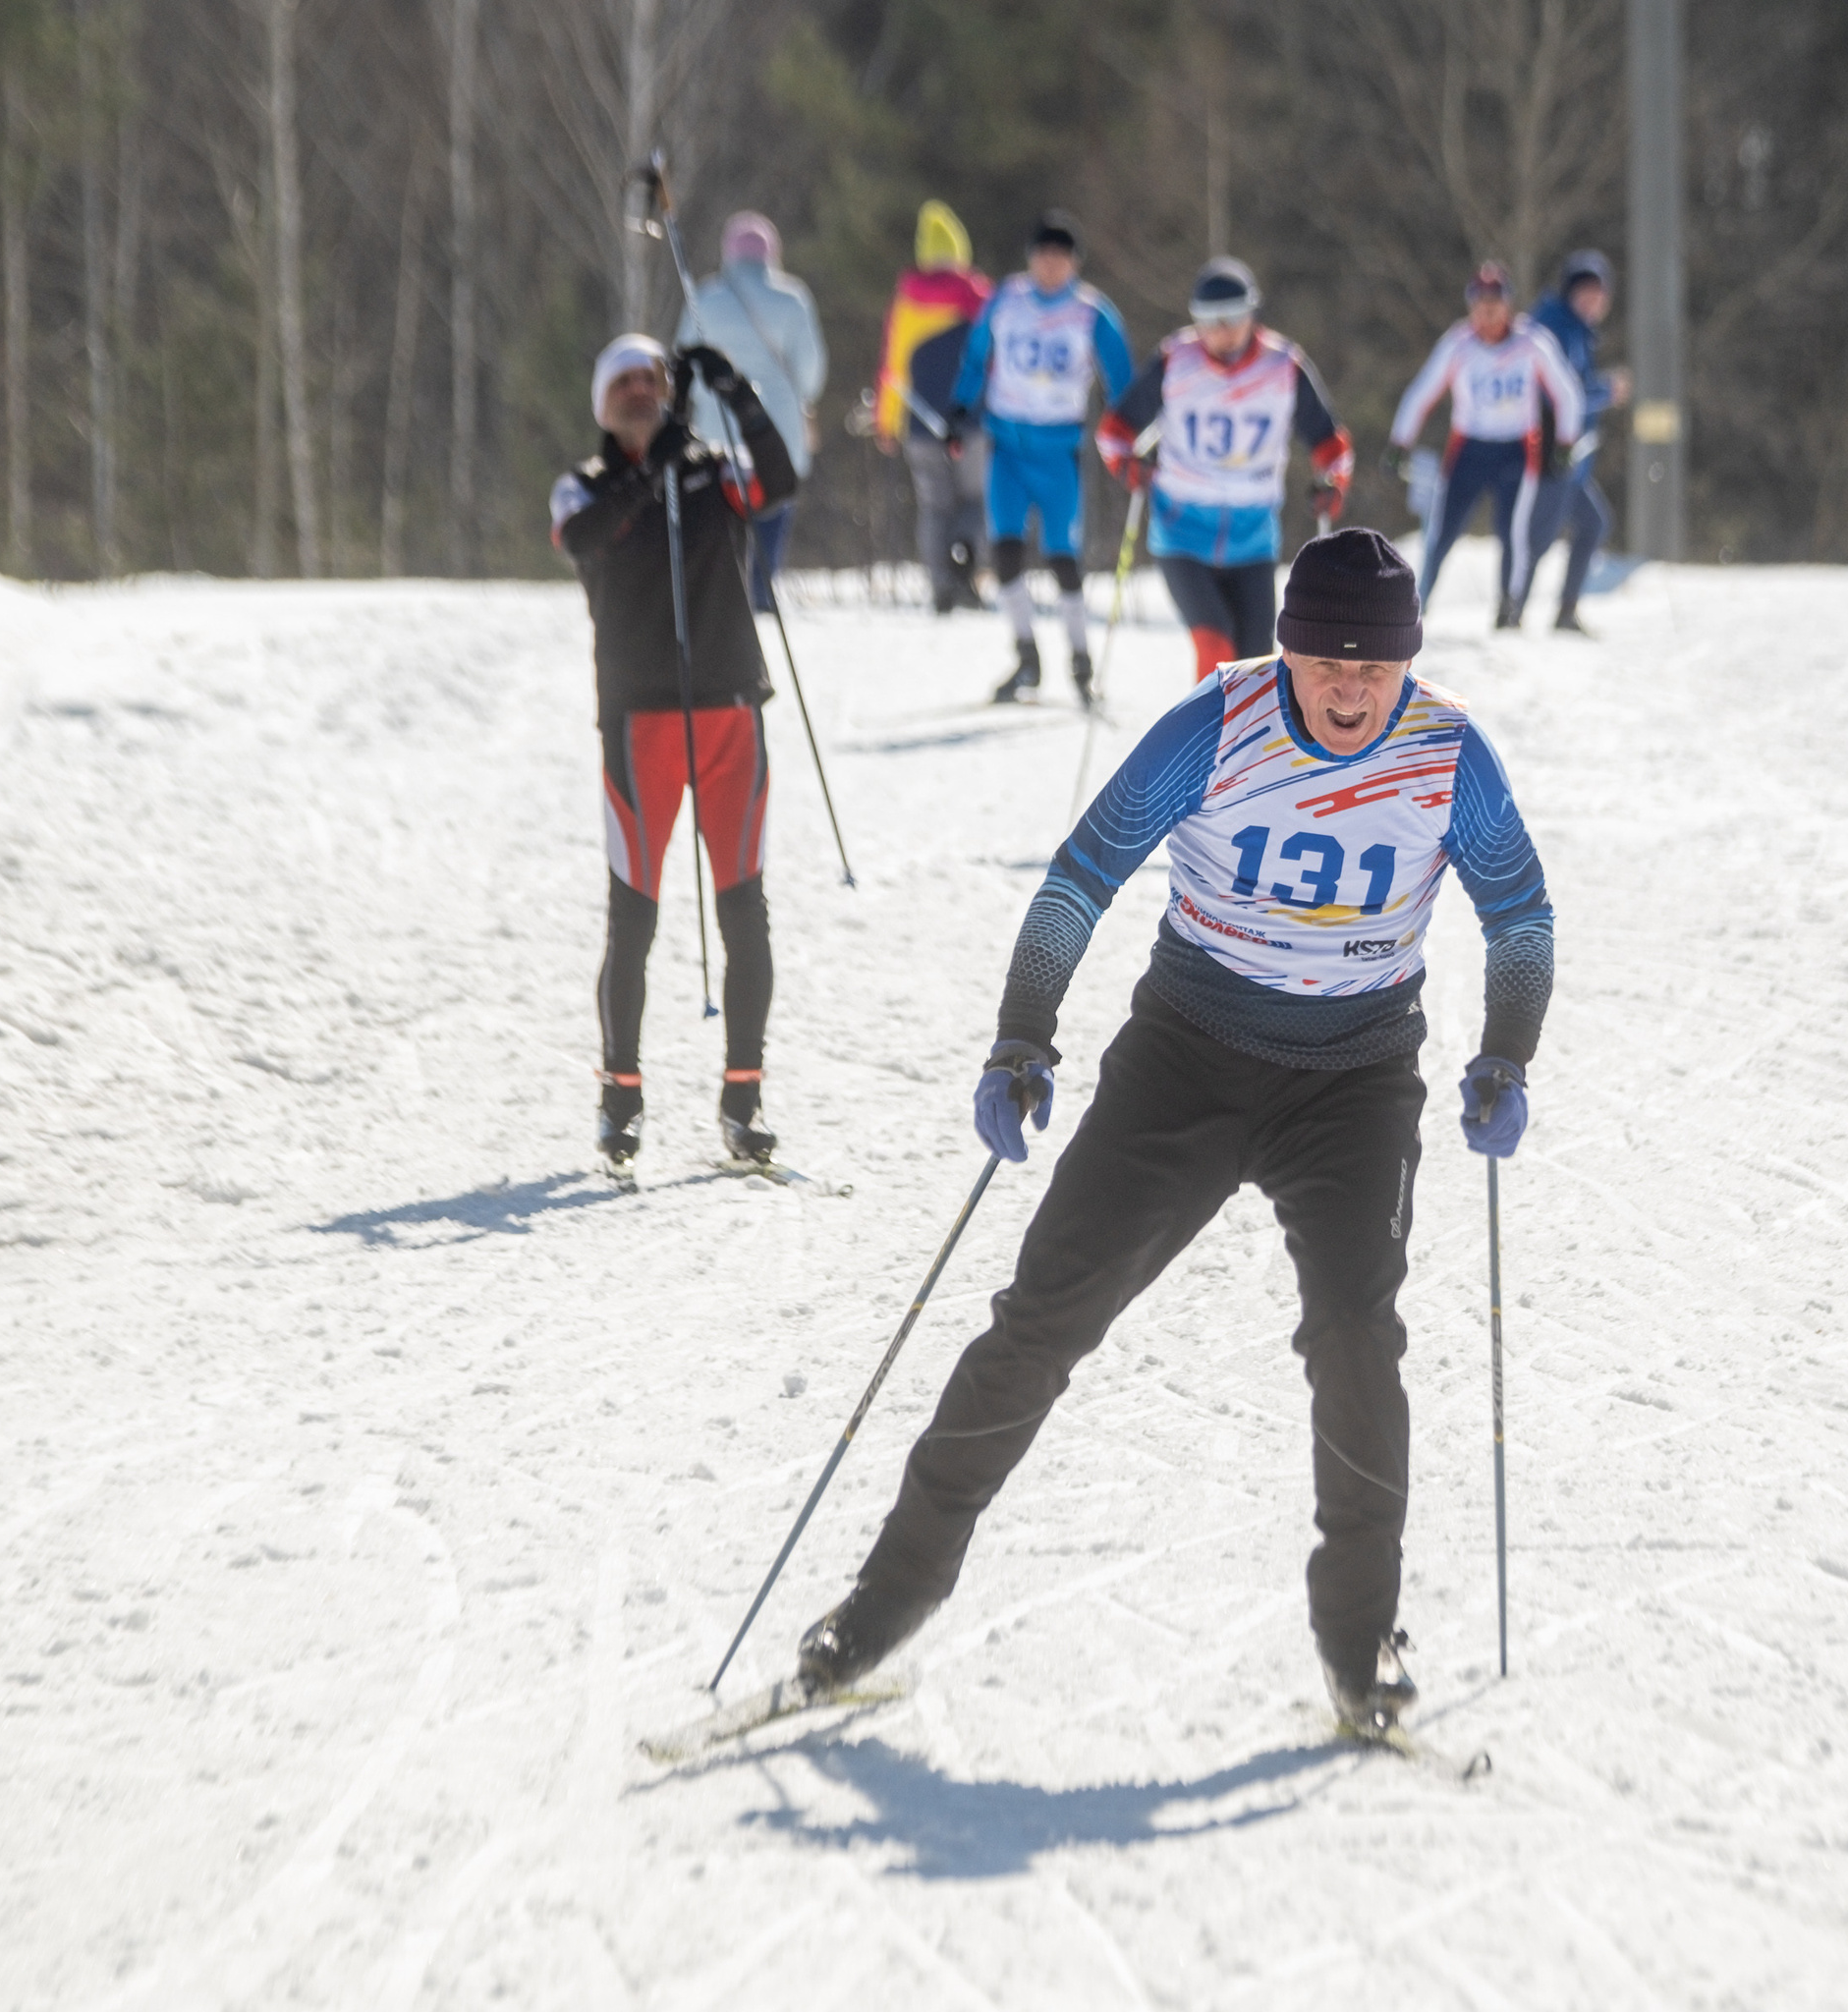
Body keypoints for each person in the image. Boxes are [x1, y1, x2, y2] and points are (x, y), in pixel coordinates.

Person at [793, 528, 1555, 1738]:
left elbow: (1519, 917)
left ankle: (1361, 1641)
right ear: (1285, 648)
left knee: (1357, 1335)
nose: (1351, 689)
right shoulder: (1215, 723)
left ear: (1408, 663)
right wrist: (1020, 1033)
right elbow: (1079, 874)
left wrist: (1506, 1052)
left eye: (1376, 667)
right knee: (1042, 1315)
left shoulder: (1448, 752)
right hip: (1184, 1060)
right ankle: (885, 1598)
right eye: (1325, 661)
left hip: (1355, 1079)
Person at [549, 334, 798, 1172]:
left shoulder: (713, 468)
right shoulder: (582, 486)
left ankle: (743, 1098)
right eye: (622, 383)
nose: (638, 393)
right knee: (635, 918)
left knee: (744, 911)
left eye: (651, 381)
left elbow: (780, 481)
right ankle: (620, 1099)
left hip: (730, 708)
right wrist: (665, 453)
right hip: (639, 719)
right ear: (600, 402)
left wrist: (738, 391)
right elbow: (592, 538)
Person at [1098, 256, 1353, 683]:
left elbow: (1331, 443)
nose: (1221, 330)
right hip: (1182, 531)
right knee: (1215, 646)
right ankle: (1209, 744)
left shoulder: (1283, 366)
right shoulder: (1176, 360)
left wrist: (1334, 482)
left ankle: (1250, 750)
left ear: (1252, 313)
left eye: (1234, 316)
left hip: (1252, 537)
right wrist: (1127, 466)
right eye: (1208, 319)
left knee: (1256, 667)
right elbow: (1113, 430)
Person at [947, 210, 1137, 706]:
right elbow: (975, 357)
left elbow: (1122, 378)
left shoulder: (1091, 312)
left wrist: (1128, 428)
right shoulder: (1005, 301)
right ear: (1031, 258)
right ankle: (1026, 654)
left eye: (1061, 257)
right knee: (1005, 551)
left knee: (1062, 559)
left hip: (1058, 453)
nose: (1051, 266)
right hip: (1006, 447)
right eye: (1043, 256)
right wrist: (959, 407)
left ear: (1074, 262)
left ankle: (1079, 659)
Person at [1387, 262, 1584, 627]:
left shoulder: (1530, 342)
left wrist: (1566, 441)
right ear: (1470, 306)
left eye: (1495, 303)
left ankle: (1509, 609)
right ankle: (1418, 604)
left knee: (1512, 530)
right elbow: (1422, 392)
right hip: (1470, 449)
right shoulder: (1458, 344)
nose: (1488, 312)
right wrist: (1400, 442)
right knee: (1443, 528)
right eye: (1480, 304)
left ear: (1508, 305)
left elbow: (1567, 392)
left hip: (1516, 448)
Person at [676, 212, 826, 612]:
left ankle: (723, 596)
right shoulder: (792, 299)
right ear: (771, 254)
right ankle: (761, 591)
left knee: (719, 516)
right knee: (772, 505)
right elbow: (811, 375)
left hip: (716, 428)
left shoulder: (703, 299)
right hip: (776, 431)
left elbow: (682, 363)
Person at [874, 200, 994, 614]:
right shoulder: (981, 298)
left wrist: (886, 421)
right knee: (976, 500)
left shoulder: (907, 301)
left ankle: (941, 583)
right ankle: (967, 565)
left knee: (934, 505)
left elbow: (893, 368)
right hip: (974, 421)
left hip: (921, 423)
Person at [1515, 250, 1633, 634]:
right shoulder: (1556, 327)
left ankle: (1564, 611)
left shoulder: (1576, 328)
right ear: (1569, 292)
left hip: (1571, 456)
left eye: (1601, 294)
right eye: (1586, 292)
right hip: (1550, 450)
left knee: (1593, 523)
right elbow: (1563, 392)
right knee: (1538, 536)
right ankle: (1512, 612)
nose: (1594, 301)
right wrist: (1607, 390)